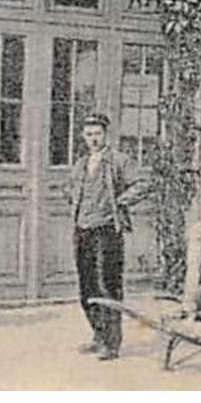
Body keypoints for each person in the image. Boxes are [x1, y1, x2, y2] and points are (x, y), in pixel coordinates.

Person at [68, 111, 148, 360]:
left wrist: (121, 201)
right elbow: (69, 188)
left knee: (107, 286)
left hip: (107, 231)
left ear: (105, 134)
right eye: (89, 134)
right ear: (83, 136)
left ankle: (112, 343)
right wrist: (74, 201)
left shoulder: (119, 160)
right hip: (83, 230)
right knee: (87, 286)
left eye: (97, 134)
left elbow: (143, 184)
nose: (93, 139)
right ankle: (98, 335)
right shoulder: (81, 163)